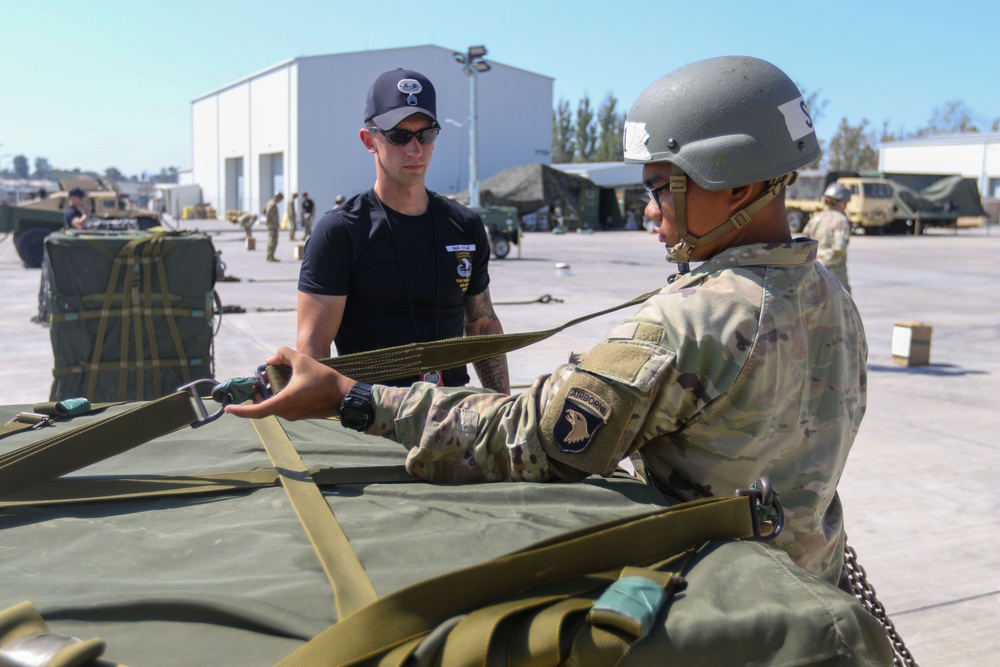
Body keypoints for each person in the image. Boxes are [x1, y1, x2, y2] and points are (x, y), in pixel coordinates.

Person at [228, 56, 867, 586]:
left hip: (716, 602)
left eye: (659, 188)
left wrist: (351, 397)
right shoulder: (833, 296)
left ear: (733, 184)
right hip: (810, 590)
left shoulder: (695, 319)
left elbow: (528, 437)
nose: (648, 212)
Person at [295, 68, 509, 392]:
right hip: (374, 424)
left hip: (453, 418)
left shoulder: (464, 226)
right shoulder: (340, 233)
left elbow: (482, 326)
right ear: (370, 140)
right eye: (398, 135)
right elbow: (313, 348)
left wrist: (503, 411)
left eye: (425, 134)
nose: (415, 149)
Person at [803, 183, 852, 293]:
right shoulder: (840, 220)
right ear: (839, 202)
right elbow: (839, 248)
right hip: (834, 274)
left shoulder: (816, 218)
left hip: (813, 270)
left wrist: (816, 259)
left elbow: (804, 242)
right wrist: (824, 260)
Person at [263, 192, 283, 262]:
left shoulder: (269, 203)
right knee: (273, 241)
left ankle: (270, 255)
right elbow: (268, 214)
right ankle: (270, 256)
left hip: (271, 225)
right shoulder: (272, 205)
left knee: (271, 240)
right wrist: (269, 221)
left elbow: (264, 211)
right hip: (272, 225)